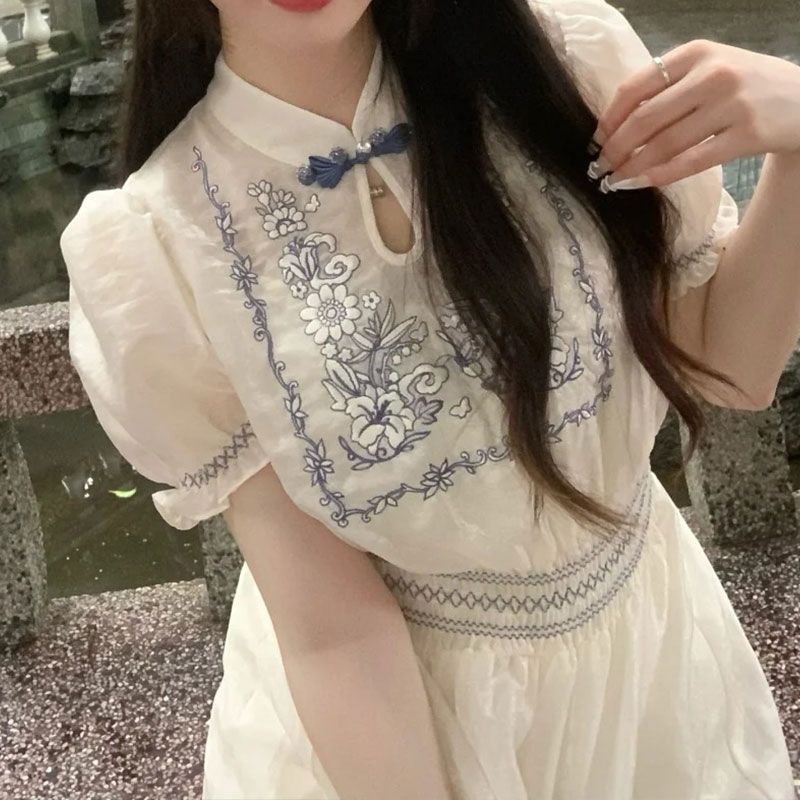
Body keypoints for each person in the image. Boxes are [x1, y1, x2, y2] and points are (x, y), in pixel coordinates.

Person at [59, 0, 800, 797]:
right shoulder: (164, 242)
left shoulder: (563, 66)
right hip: (405, 735)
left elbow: (729, 366)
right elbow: (334, 632)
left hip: (656, 668)